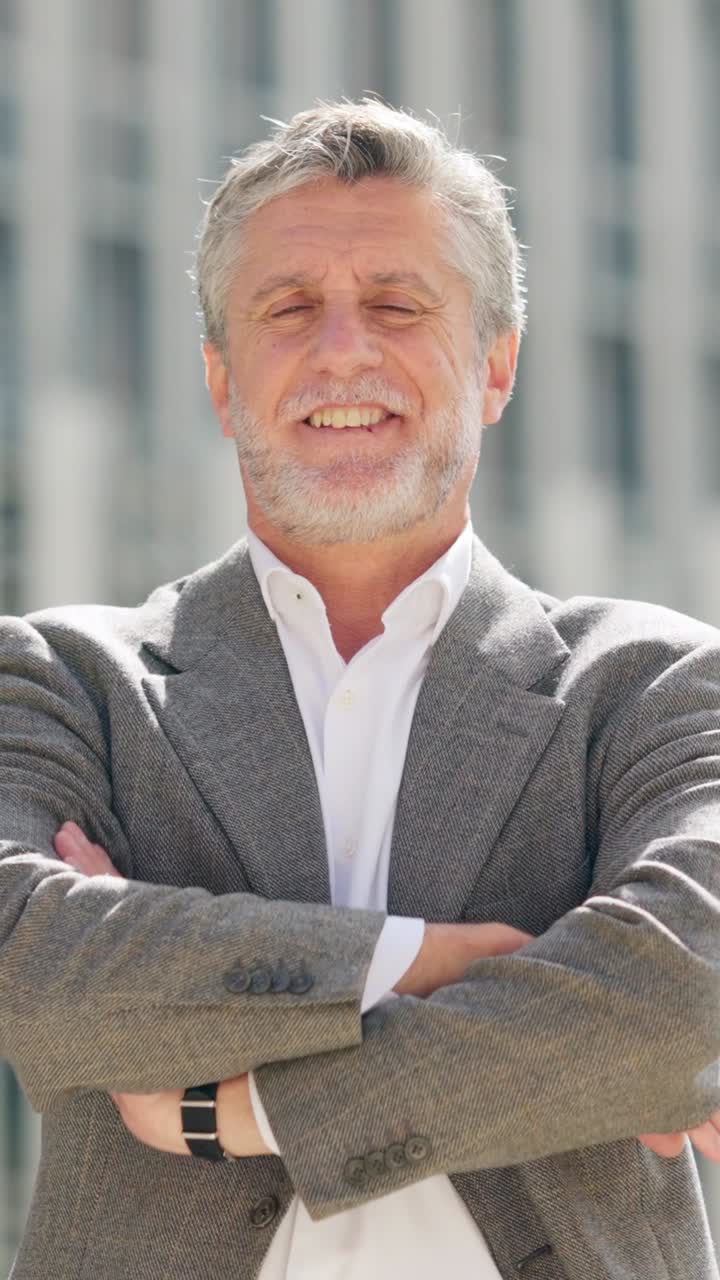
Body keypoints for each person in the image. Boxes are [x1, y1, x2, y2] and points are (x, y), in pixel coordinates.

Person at [1, 99, 719, 1280]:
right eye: (290, 309)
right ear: (223, 381)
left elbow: (679, 997)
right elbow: (24, 958)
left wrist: (224, 1109)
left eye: (397, 304)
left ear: (495, 364)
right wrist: (423, 957)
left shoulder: (658, 689)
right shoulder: (65, 681)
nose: (343, 350)